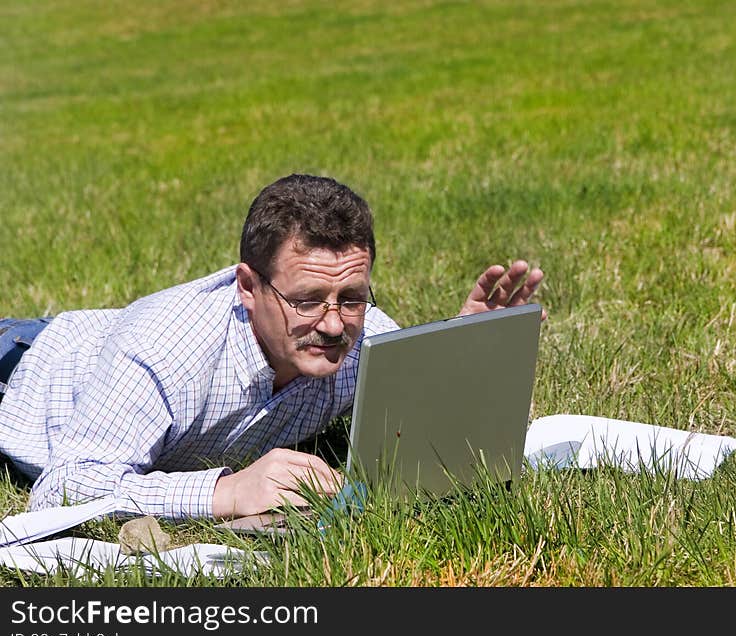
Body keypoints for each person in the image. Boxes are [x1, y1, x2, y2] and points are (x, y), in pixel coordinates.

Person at [0, 173, 544, 521]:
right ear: (247, 286)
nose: (333, 325)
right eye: (306, 301)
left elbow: (421, 446)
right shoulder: (163, 352)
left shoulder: (366, 337)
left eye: (351, 297)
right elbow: (63, 489)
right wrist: (228, 493)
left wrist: (460, 355)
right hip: (22, 365)